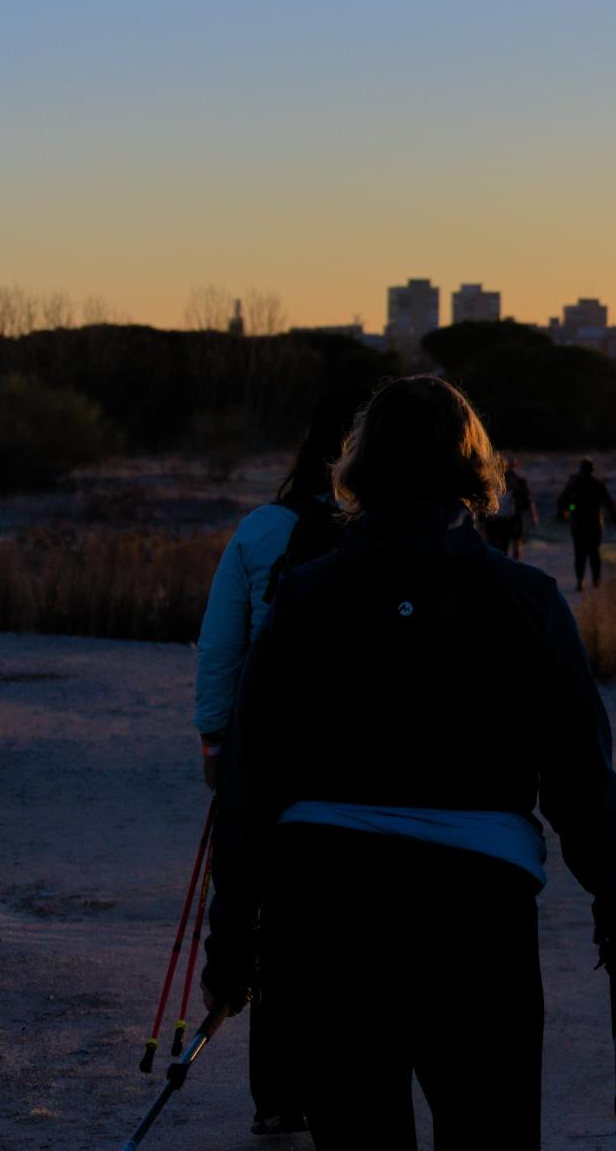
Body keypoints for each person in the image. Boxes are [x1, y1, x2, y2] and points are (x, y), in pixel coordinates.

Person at [202, 376, 616, 1149]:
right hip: (478, 916)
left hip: (328, 913)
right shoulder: (527, 600)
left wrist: (233, 942)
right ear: (473, 470)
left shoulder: (303, 598)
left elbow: (251, 780)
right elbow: (581, 777)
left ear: (360, 468)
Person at [191, 387, 360, 1137]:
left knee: (273, 920)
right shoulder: (392, 535)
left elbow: (221, 644)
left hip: (270, 755)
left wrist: (215, 742)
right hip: (361, 758)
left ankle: (278, 1097)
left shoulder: (263, 529)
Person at [556, 457, 616, 591]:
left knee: (580, 554)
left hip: (578, 525)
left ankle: (580, 581)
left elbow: (562, 501)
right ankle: (596, 580)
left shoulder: (573, 483)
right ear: (592, 470)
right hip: (595, 525)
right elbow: (609, 502)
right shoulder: (598, 484)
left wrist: (570, 509)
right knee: (594, 553)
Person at [480, 455, 538, 560]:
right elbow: (528, 499)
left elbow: (483, 501)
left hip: (500, 517)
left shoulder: (491, 480)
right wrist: (533, 516)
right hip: (507, 517)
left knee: (497, 546)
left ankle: (503, 564)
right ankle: (511, 564)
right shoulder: (517, 480)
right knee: (506, 546)